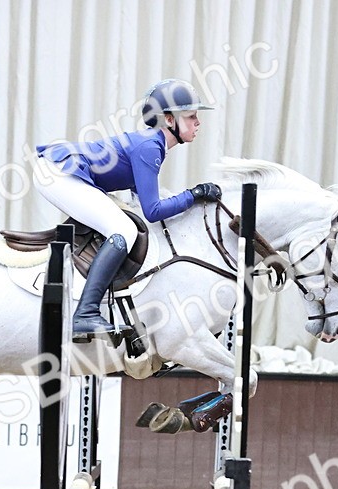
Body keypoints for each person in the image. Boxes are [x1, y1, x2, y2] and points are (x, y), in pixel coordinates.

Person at [35, 79, 222, 341]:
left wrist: (190, 198)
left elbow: (142, 201)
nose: (198, 122)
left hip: (58, 170)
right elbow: (153, 211)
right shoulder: (150, 147)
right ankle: (85, 314)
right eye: (191, 116)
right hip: (59, 171)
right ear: (169, 120)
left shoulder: (151, 144)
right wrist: (194, 195)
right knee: (123, 229)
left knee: (123, 223)